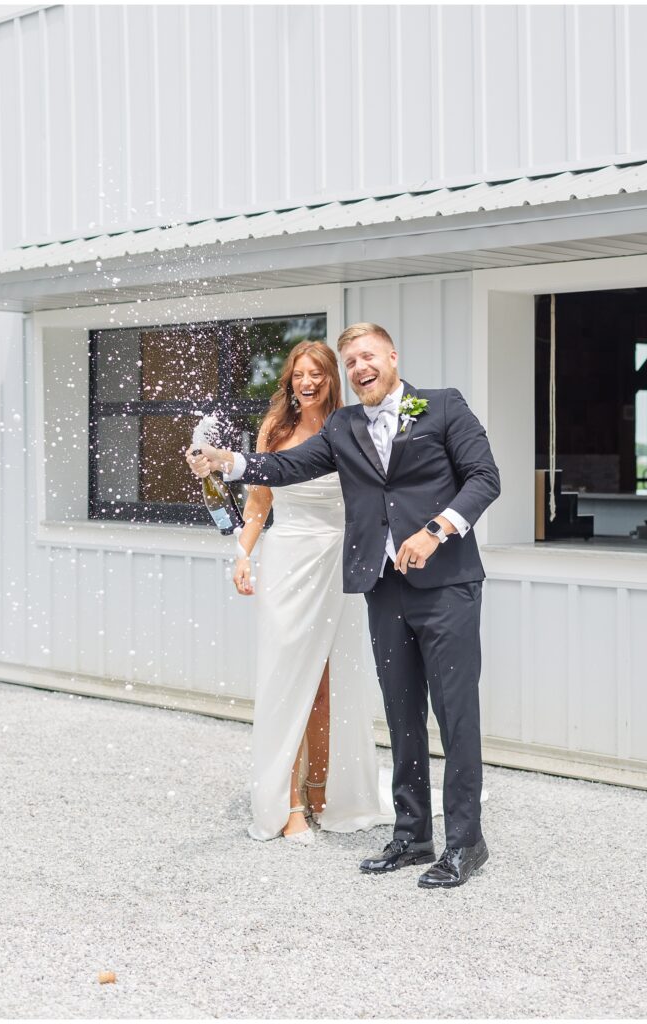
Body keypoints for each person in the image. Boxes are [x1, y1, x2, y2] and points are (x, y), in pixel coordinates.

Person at [189, 322, 500, 889]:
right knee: (403, 717)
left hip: (448, 586)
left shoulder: (444, 406)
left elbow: (484, 478)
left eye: (368, 356)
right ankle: (411, 835)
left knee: (456, 718)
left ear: (392, 356)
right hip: (382, 588)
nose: (360, 367)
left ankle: (465, 843)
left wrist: (436, 529)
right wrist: (226, 463)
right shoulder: (344, 425)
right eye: (352, 360)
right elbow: (286, 468)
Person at [188, 340, 394, 844]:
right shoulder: (275, 430)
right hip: (287, 559)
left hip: (337, 562)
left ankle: (324, 786)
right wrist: (242, 553)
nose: (308, 382)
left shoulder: (349, 428)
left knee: (329, 683)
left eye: (318, 374)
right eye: (300, 374)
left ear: (331, 379)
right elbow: (259, 501)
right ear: (290, 379)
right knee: (288, 678)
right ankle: (290, 802)